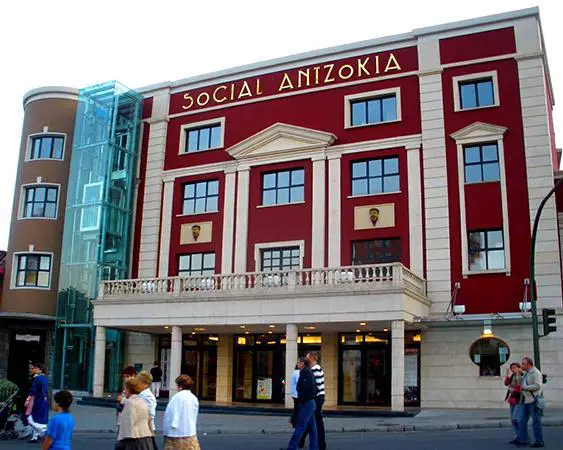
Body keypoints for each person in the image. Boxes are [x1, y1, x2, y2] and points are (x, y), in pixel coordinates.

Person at [116, 377, 156, 450]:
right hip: (146, 438)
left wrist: (119, 443)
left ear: (129, 389)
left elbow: (127, 425)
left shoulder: (129, 403)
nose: (124, 391)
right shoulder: (143, 402)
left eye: (125, 389)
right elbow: (149, 421)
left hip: (134, 441)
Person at [287, 358, 318, 450]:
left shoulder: (306, 373)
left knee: (300, 425)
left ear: (302, 363)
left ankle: (291, 447)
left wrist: (301, 399)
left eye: (298, 362)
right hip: (309, 402)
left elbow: (307, 389)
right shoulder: (305, 372)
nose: (297, 364)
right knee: (312, 428)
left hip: (307, 403)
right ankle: (314, 448)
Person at [163, 375, 200, 450]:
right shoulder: (193, 398)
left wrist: (171, 427)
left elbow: (172, 414)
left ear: (180, 386)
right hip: (190, 432)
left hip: (175, 434)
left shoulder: (177, 397)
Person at [514, 357, 544, 448]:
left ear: (529, 364)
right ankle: (523, 439)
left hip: (533, 400)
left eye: (523, 363)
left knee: (536, 422)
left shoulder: (535, 372)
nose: (522, 365)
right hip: (526, 400)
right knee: (521, 420)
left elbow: (538, 385)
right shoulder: (527, 373)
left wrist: (525, 388)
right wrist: (518, 374)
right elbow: (519, 383)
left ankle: (539, 441)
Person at [299, 352, 326, 450]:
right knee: (311, 421)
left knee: (316, 422)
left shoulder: (316, 369)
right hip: (317, 398)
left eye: (307, 357)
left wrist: (310, 398)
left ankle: (320, 445)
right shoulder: (314, 369)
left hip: (317, 399)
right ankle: (300, 441)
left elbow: (316, 387)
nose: (305, 359)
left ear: (311, 358)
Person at [26, 363, 49, 443]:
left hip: (37, 400)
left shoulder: (37, 379)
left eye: (35, 368)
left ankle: (44, 432)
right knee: (40, 418)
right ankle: (35, 437)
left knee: (31, 417)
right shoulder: (44, 378)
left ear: (40, 369)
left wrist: (27, 399)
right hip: (43, 401)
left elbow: (33, 390)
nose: (33, 369)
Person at [504, 362, 522, 443]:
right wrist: (507, 375)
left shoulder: (521, 375)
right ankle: (517, 436)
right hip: (512, 398)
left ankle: (521, 435)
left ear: (519, 368)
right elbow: (506, 383)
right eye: (512, 368)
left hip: (519, 399)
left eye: (515, 367)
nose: (513, 369)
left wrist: (513, 389)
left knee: (515, 418)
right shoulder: (512, 376)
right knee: (512, 419)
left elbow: (520, 386)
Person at [289, 362, 301, 428]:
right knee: (297, 409)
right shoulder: (297, 372)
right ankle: (294, 421)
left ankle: (293, 421)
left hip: (295, 394)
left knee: (297, 408)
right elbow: (299, 382)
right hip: (297, 394)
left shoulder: (294, 372)